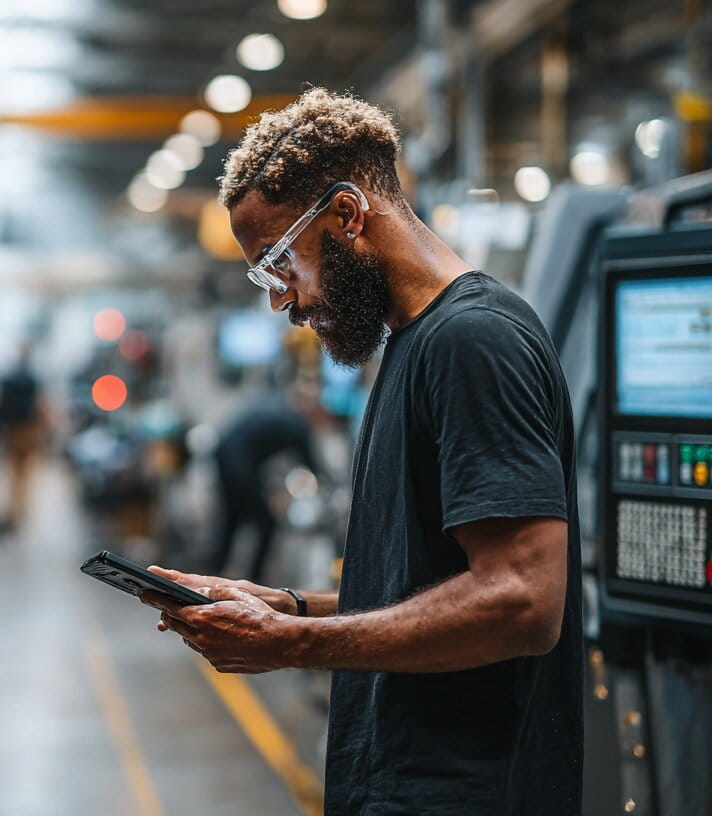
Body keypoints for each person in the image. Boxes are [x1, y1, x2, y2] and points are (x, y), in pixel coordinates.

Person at [143, 88, 581, 815]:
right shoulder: (413, 344)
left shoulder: (473, 342)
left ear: (346, 215)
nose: (280, 300)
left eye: (279, 262)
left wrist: (294, 648)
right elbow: (426, 586)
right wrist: (289, 608)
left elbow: (523, 601)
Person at [207, 392, 324, 582]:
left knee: (232, 518)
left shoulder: (279, 409)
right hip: (238, 464)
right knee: (267, 522)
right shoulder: (299, 426)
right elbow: (312, 464)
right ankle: (255, 579)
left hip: (223, 455)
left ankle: (214, 569)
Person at [0, 345, 44, 527]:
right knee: (23, 472)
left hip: (12, 429)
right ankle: (20, 508)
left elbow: (0, 406)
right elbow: (39, 407)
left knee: (12, 470)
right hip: (27, 429)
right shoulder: (32, 379)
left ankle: (12, 508)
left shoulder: (8, 380)